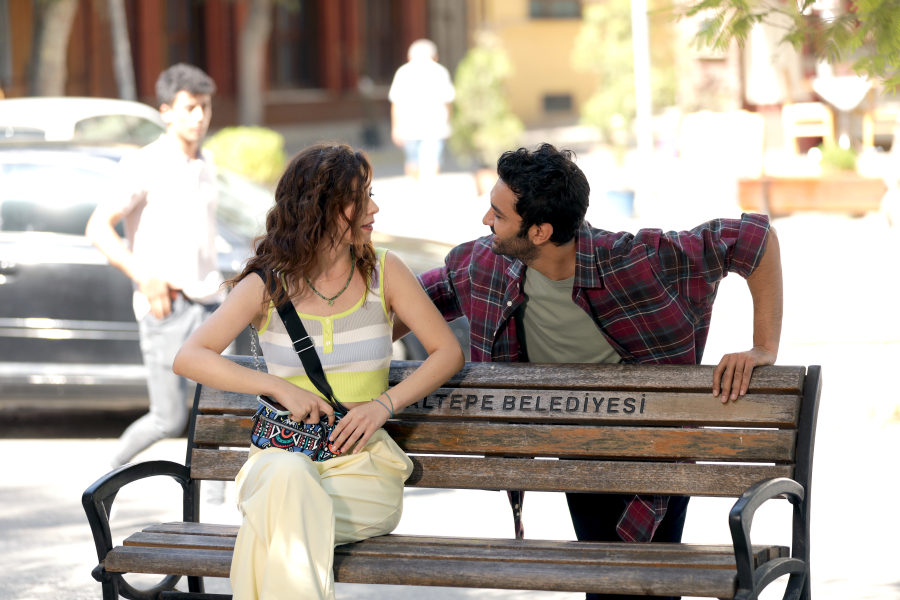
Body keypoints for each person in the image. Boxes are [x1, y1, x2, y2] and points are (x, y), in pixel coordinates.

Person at [393, 143, 783, 600]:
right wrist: (357, 360)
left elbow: (754, 238)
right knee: (606, 583)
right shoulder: (487, 264)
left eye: (497, 215)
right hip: (578, 448)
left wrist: (762, 347)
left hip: (655, 449)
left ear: (540, 231)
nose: (485, 221)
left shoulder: (636, 259)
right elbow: (407, 303)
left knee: (649, 587)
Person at [173, 143, 465, 599]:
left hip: (363, 470)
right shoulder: (267, 285)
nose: (374, 208)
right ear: (320, 208)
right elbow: (190, 356)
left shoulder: (385, 272)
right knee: (289, 478)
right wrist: (277, 387)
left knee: (277, 522)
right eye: (359, 198)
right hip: (279, 460)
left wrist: (383, 405)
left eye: (371, 195)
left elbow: (447, 352)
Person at [85, 63, 224, 469]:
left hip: (212, 305)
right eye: (189, 107)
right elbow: (98, 227)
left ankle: (213, 505)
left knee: (218, 416)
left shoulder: (207, 162)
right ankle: (102, 480)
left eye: (205, 107)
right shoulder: (144, 163)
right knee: (169, 418)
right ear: (166, 111)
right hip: (167, 307)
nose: (199, 116)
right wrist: (143, 278)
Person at [388, 39, 455, 180]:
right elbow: (448, 102)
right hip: (435, 127)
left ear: (409, 56)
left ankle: (416, 188)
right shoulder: (440, 71)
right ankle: (428, 189)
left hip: (409, 127)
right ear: (435, 56)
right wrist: (450, 123)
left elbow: (396, 103)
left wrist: (395, 127)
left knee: (412, 161)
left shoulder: (403, 72)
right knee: (432, 160)